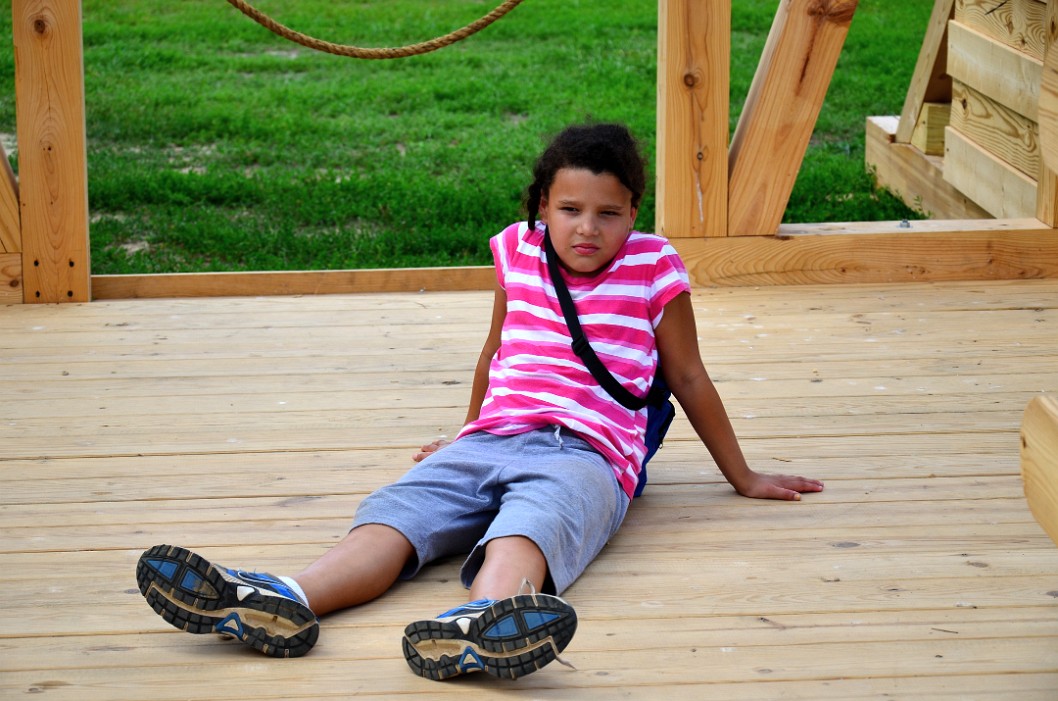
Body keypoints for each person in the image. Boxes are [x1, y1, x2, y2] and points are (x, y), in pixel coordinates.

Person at [135, 122, 823, 680]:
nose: (588, 228)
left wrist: (744, 474)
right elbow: (496, 351)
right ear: (542, 206)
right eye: (570, 210)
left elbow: (690, 375)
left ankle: (482, 621)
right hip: (493, 435)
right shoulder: (517, 253)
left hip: (585, 452)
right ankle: (283, 596)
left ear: (634, 213)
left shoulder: (653, 265)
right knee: (397, 514)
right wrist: (466, 433)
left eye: (608, 213)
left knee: (532, 524)